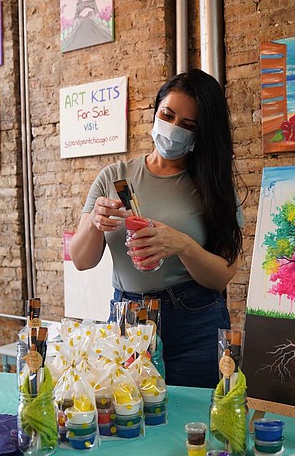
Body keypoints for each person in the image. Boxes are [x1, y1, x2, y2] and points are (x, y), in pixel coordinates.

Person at [69, 69, 242, 388]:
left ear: (201, 133)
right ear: (156, 112)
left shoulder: (212, 187)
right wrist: (96, 222)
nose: (174, 129)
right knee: (128, 421)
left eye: (188, 126)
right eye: (168, 115)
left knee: (193, 425)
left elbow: (222, 275)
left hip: (195, 320)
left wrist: (182, 244)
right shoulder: (114, 176)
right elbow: (81, 259)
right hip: (127, 318)